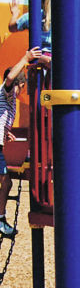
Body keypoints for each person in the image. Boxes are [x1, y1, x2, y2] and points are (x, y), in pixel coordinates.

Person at [0, 46, 43, 236]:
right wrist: (26, 57)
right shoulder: (8, 92)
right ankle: (0, 219)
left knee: (6, 182)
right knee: (6, 182)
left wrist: (5, 132)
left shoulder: (6, 99)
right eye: (22, 88)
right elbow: (10, 78)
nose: (20, 92)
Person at [9, 0, 52, 67]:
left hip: (36, 58)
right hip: (55, 59)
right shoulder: (62, 17)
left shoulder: (32, 16)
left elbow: (12, 28)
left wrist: (15, 14)